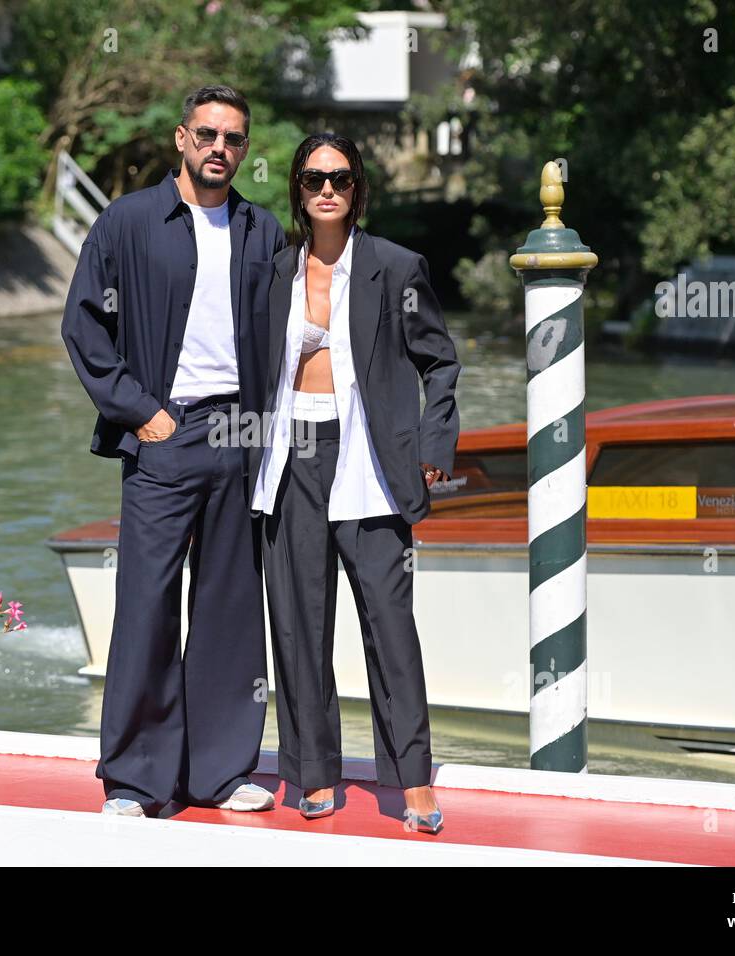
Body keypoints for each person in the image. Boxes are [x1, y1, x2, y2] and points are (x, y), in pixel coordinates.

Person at [61, 86, 286, 817]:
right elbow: (84, 327)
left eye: (235, 138)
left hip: (240, 434)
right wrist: (141, 412)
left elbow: (292, 333)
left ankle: (220, 773)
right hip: (165, 431)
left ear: (244, 150)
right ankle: (136, 779)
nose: (221, 147)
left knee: (229, 605)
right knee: (147, 603)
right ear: (182, 139)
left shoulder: (262, 231)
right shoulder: (128, 223)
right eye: (209, 134)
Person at [249, 132, 460, 832]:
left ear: (357, 187)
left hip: (370, 461)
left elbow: (440, 362)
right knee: (300, 625)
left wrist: (434, 441)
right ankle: (313, 772)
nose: (327, 190)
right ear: (298, 191)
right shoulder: (273, 273)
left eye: (339, 178)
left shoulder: (397, 269)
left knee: (390, 624)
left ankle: (413, 779)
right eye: (313, 180)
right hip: (289, 458)